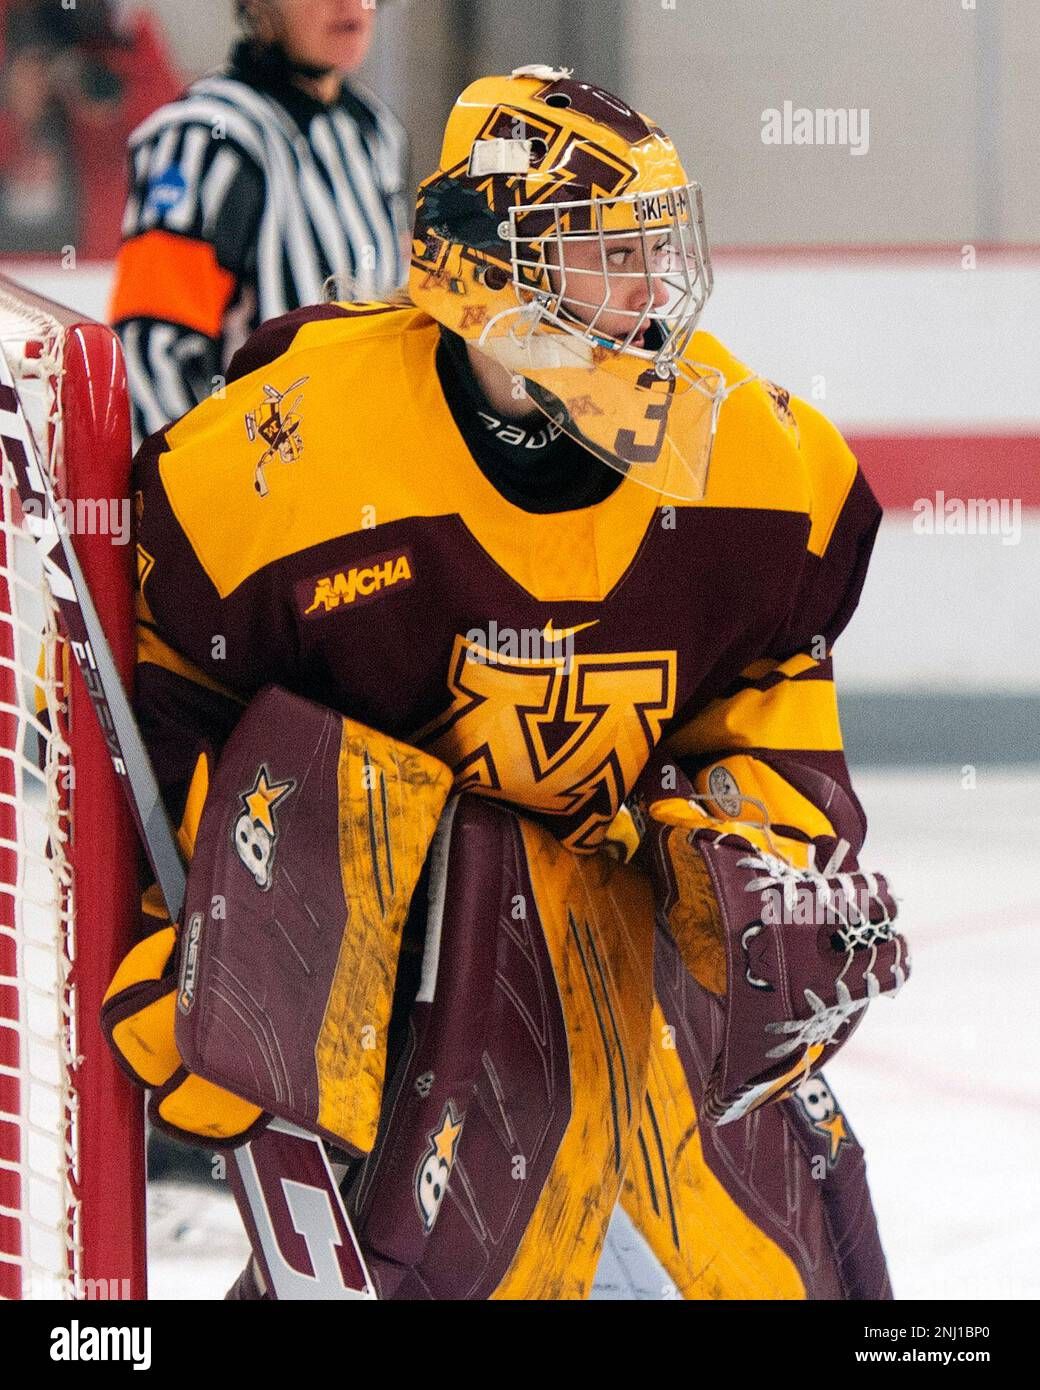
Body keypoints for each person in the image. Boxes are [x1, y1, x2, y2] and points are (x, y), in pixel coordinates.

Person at [104, 67, 908, 1300]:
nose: (651, 294)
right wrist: (192, 929)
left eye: (656, 248)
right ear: (489, 271)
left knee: (802, 1270)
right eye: (606, 252)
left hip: (624, 956)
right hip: (405, 984)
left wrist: (757, 846)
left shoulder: (747, 457)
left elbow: (764, 676)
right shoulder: (295, 451)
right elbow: (173, 687)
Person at [109, 0, 408, 438]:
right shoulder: (201, 139)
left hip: (360, 476)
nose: (351, 5)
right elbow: (152, 358)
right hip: (255, 481)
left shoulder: (374, 131)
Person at [0, 0, 180, 256]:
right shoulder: (14, 20)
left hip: (90, 267)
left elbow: (169, 134)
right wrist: (16, 109)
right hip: (14, 272)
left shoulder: (117, 32)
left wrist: (113, 102)